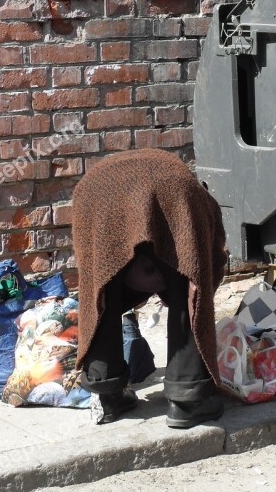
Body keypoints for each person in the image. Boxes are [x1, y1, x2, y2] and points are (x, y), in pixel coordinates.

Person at [72, 148, 229, 428]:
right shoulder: (202, 202)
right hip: (170, 190)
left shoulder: (103, 180)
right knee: (187, 281)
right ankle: (188, 399)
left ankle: (108, 394)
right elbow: (203, 276)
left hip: (97, 193)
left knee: (101, 288)